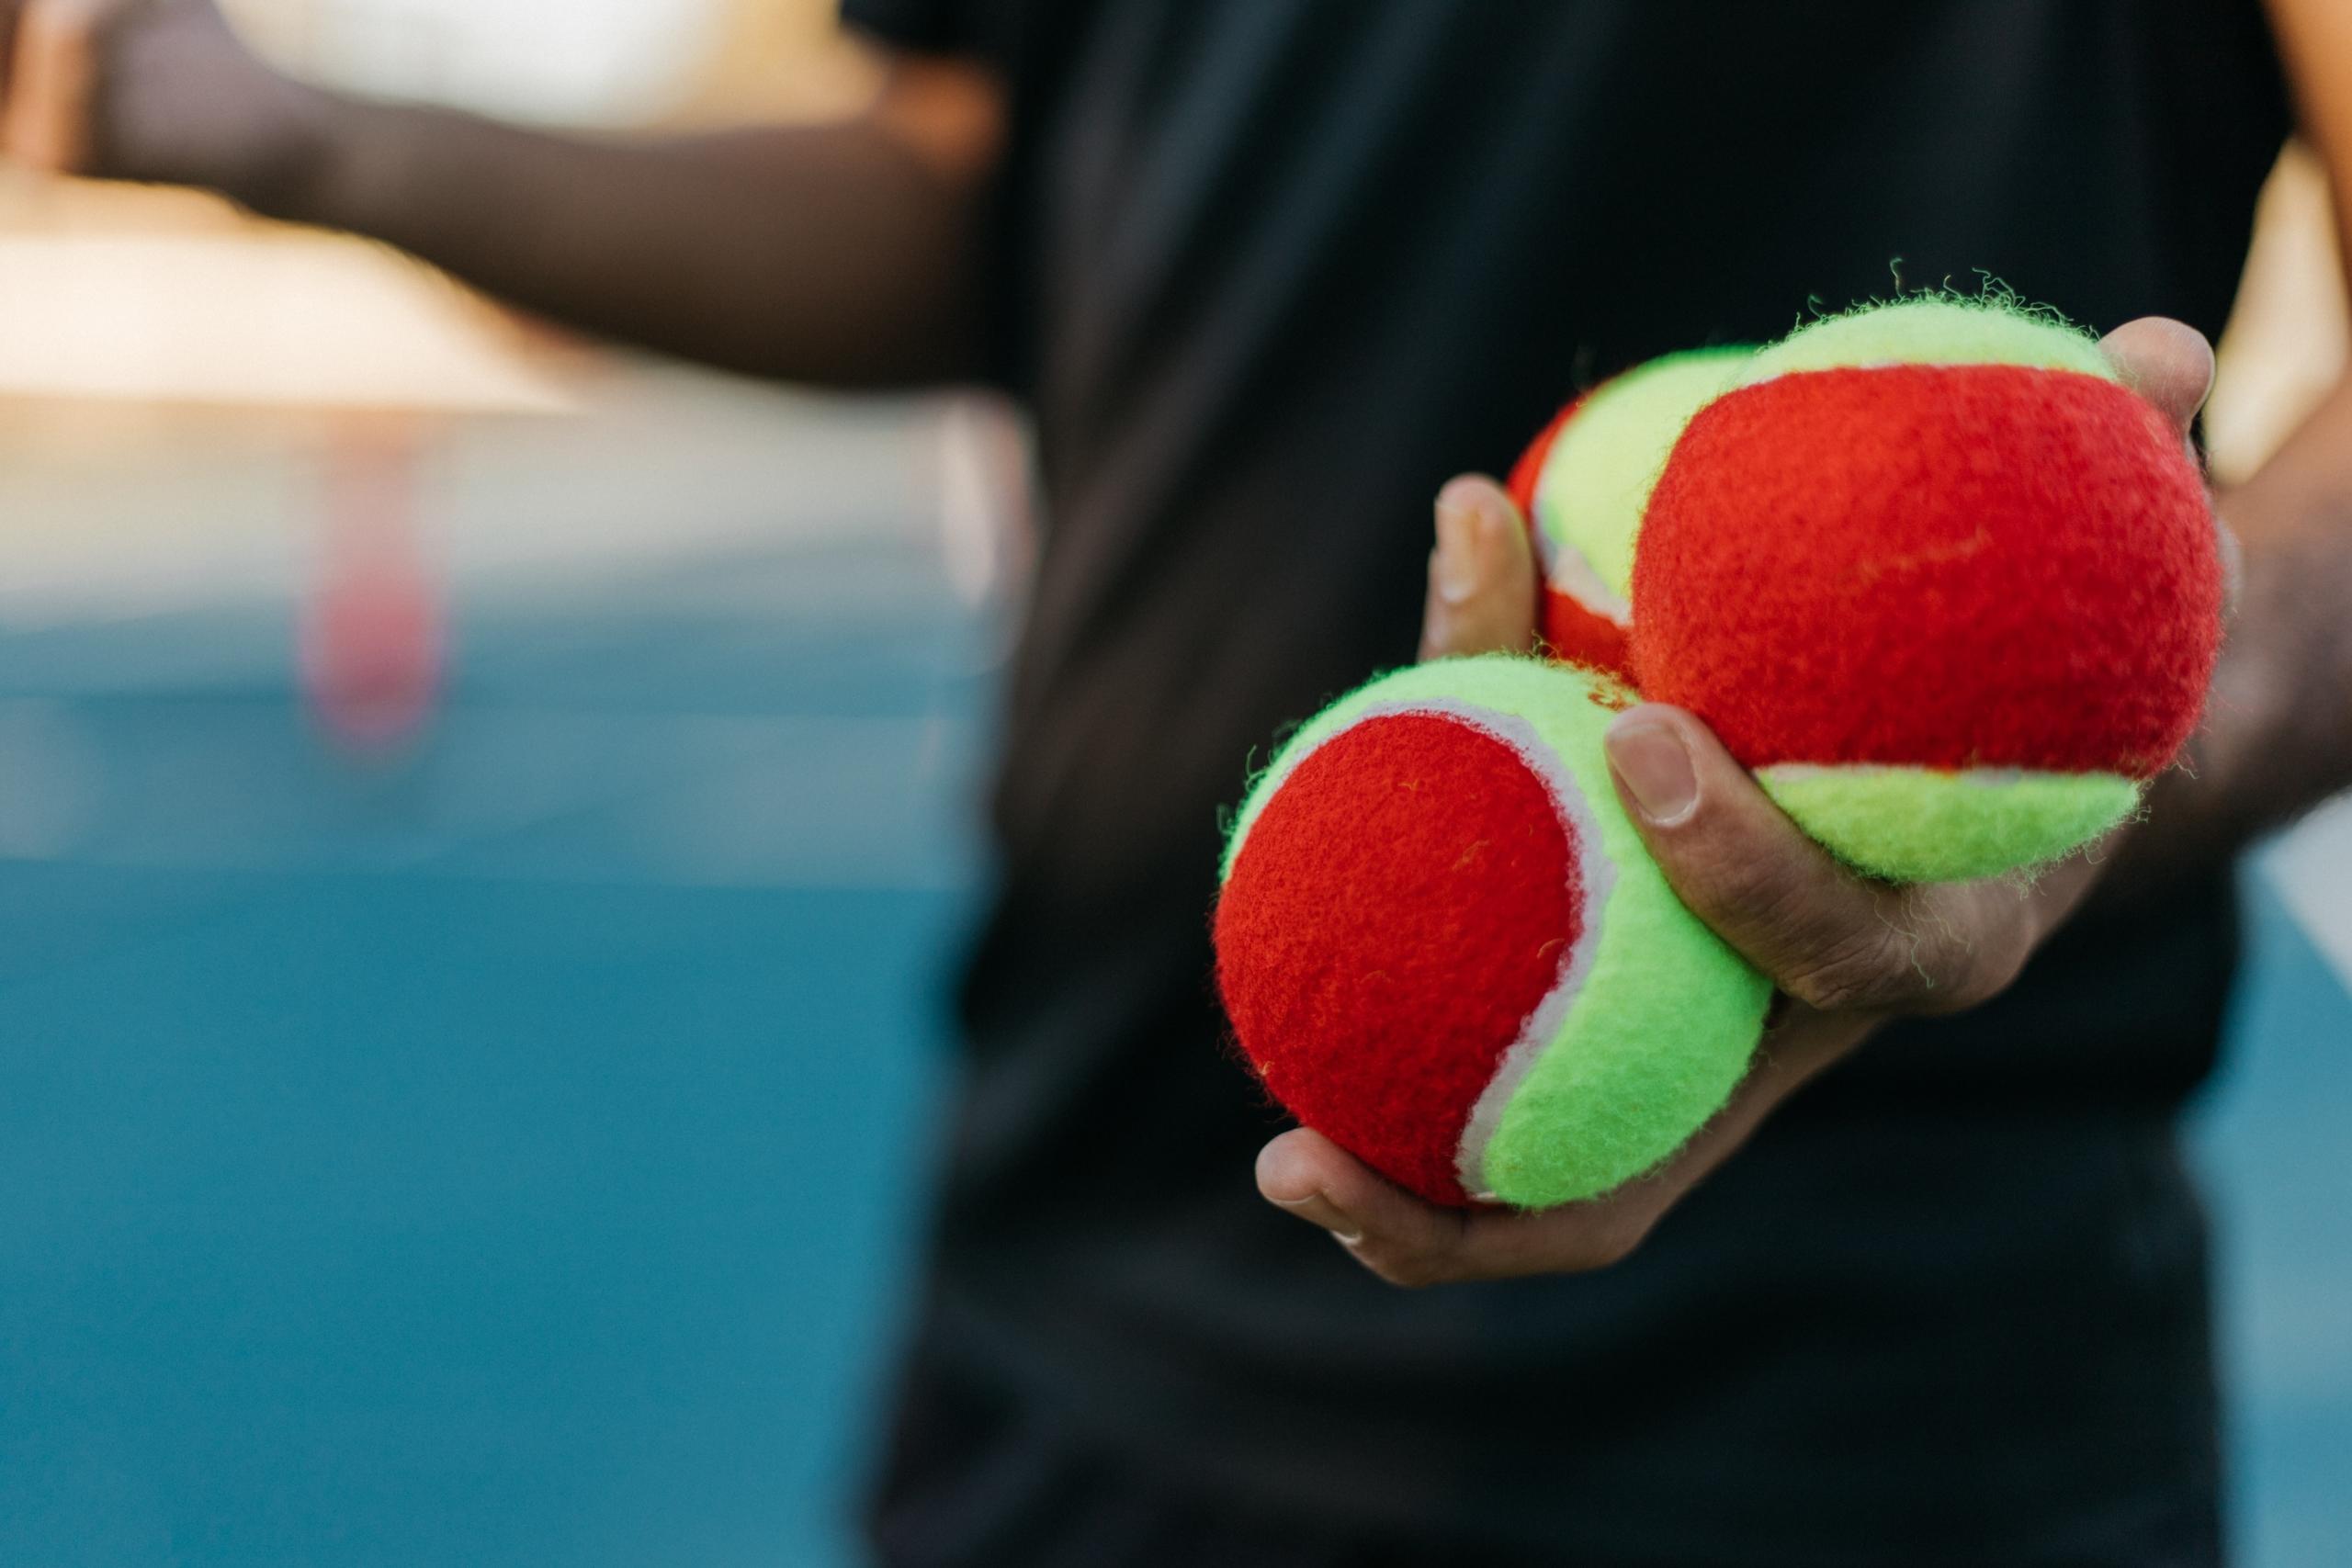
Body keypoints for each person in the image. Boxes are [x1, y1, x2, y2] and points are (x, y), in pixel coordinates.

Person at [8, 1, 2349, 1562]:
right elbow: (971, 195)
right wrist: (313, 135)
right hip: (1089, 1292)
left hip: (1909, 1395)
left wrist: (2132, 732)